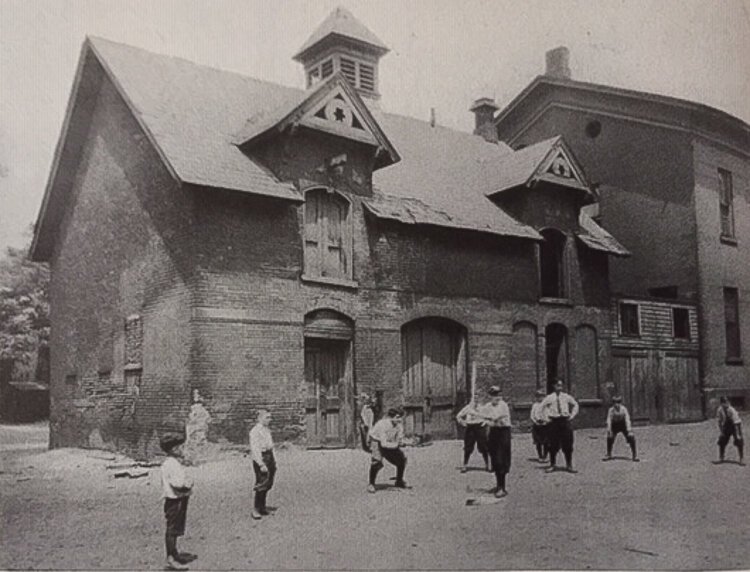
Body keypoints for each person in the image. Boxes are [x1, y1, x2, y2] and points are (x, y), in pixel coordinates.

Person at [160, 433, 194, 571]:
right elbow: (178, 483)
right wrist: (189, 483)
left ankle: (174, 553)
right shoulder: (170, 464)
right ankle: (170, 558)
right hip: (174, 500)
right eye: (180, 447)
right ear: (174, 449)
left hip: (180, 498)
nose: (182, 449)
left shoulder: (175, 462)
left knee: (177, 527)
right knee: (172, 529)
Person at [478, 386, 512, 498]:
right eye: (494, 395)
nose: (497, 397)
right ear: (490, 396)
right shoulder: (487, 406)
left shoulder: (503, 405)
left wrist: (489, 418)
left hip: (504, 432)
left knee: (503, 459)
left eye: (498, 395)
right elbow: (481, 417)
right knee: (496, 459)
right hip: (494, 433)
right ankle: (499, 485)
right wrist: (486, 419)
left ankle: (502, 486)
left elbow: (498, 417)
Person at [541, 379, 579, 473]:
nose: (560, 387)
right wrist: (546, 419)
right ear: (554, 386)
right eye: (558, 385)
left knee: (568, 443)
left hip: (565, 421)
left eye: (561, 385)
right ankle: (552, 464)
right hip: (554, 422)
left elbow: (575, 405)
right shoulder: (549, 397)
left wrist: (572, 415)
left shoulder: (566, 396)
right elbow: (541, 408)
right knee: (553, 444)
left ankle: (569, 465)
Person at [367, 407, 407, 492]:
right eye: (397, 417)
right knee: (377, 462)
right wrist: (396, 445)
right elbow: (383, 444)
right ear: (391, 417)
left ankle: (399, 481)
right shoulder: (383, 425)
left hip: (389, 442)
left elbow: (399, 438)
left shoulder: (399, 425)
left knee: (402, 459)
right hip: (376, 440)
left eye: (400, 417)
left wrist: (402, 442)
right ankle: (371, 484)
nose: (399, 420)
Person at [249, 410, 277, 519]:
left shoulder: (266, 430)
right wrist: (261, 464)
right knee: (261, 483)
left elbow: (271, 446)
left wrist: (273, 461)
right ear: (260, 419)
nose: (269, 420)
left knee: (268, 482)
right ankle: (256, 509)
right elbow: (255, 449)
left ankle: (262, 506)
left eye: (270, 417)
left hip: (269, 456)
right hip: (262, 457)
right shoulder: (255, 431)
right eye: (267, 418)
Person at [456, 395, 490, 472]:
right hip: (470, 428)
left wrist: (484, 423)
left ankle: (488, 465)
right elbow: (458, 416)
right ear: (471, 399)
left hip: (480, 428)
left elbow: (488, 417)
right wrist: (463, 423)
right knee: (468, 447)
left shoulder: (482, 408)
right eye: (474, 398)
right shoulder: (468, 408)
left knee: (483, 446)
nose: (476, 400)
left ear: (480, 399)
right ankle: (464, 465)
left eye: (477, 398)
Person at [603, 396, 639, 462]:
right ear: (613, 404)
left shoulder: (624, 409)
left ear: (621, 403)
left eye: (618, 402)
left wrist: (629, 430)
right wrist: (609, 430)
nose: (617, 404)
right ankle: (608, 454)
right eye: (615, 403)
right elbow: (609, 420)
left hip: (623, 425)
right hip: (615, 425)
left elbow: (627, 419)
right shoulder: (611, 410)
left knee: (631, 437)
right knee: (610, 437)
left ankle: (634, 455)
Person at [716, 397, 744, 465]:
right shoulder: (720, 410)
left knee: (739, 440)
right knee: (722, 440)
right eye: (724, 403)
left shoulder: (731, 410)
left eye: (727, 402)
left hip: (735, 425)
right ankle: (721, 456)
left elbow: (736, 422)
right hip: (726, 425)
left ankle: (741, 458)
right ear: (721, 403)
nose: (726, 404)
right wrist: (722, 431)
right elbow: (719, 421)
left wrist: (737, 434)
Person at [529, 389, 549, 462]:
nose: (540, 398)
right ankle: (540, 456)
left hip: (545, 425)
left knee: (546, 442)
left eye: (542, 396)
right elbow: (532, 415)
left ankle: (545, 456)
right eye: (539, 397)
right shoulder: (535, 405)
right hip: (537, 425)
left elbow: (548, 414)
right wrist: (535, 421)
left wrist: (546, 421)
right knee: (538, 442)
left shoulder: (547, 405)